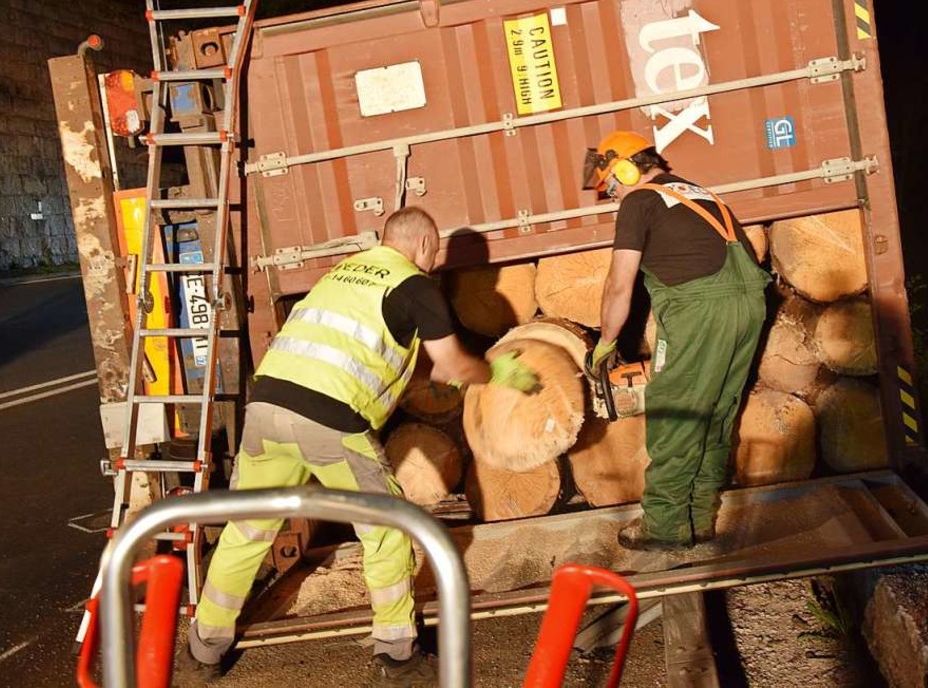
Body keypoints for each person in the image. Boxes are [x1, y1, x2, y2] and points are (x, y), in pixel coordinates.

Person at [176, 207, 538, 686]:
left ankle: (202, 653)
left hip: (265, 410)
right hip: (330, 425)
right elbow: (452, 362)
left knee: (247, 529)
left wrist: (438, 379)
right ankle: (398, 656)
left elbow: (369, 353)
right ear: (426, 245)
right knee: (388, 528)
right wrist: (496, 373)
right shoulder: (415, 284)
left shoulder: (342, 275)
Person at [583, 131, 771, 552]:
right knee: (717, 413)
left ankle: (666, 526)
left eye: (612, 185)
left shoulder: (639, 200)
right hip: (749, 306)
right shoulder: (703, 195)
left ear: (628, 167)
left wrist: (606, 343)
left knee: (678, 413)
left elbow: (619, 284)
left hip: (699, 310)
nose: (614, 197)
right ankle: (699, 517)